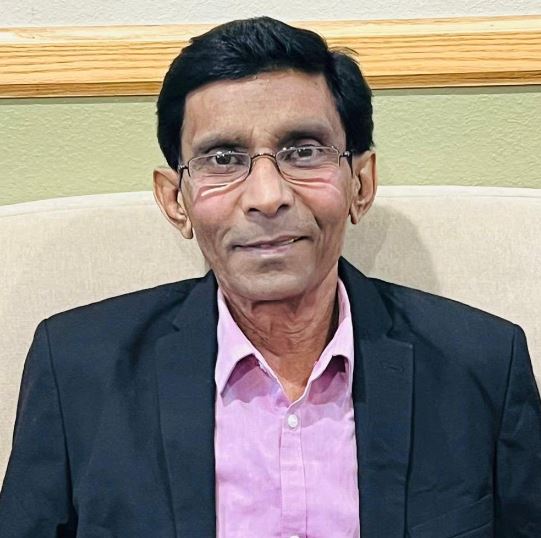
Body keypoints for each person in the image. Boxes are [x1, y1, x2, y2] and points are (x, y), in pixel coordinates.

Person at [1, 16, 540, 538]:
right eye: (222, 159)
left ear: (361, 183)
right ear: (175, 201)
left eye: (303, 152)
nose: (266, 196)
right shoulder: (76, 369)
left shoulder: (486, 366)